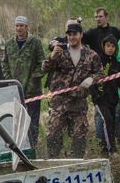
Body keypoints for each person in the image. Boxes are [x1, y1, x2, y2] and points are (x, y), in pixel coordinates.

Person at [41, 23, 101, 158]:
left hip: (78, 103)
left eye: (74, 34)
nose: (72, 37)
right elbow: (45, 68)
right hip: (59, 103)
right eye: (69, 35)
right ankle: (54, 164)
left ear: (81, 35)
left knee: (79, 138)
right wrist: (52, 55)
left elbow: (100, 73)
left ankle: (76, 164)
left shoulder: (91, 55)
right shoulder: (61, 52)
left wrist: (92, 79)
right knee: (53, 135)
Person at [1, 16, 45, 147]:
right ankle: (19, 145)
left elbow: (42, 64)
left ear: (27, 28)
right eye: (17, 26)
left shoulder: (35, 42)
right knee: (16, 119)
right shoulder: (9, 44)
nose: (19, 28)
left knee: (33, 119)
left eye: (21, 26)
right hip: (15, 89)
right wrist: (10, 81)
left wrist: (33, 79)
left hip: (33, 90)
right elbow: (4, 64)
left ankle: (33, 145)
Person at [90, 35, 120, 155]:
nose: (110, 48)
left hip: (113, 99)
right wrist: (94, 95)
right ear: (103, 46)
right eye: (108, 45)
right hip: (100, 98)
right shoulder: (97, 62)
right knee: (107, 120)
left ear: (116, 49)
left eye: (113, 46)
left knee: (111, 123)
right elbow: (89, 81)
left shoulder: (119, 66)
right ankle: (112, 149)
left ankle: (104, 148)